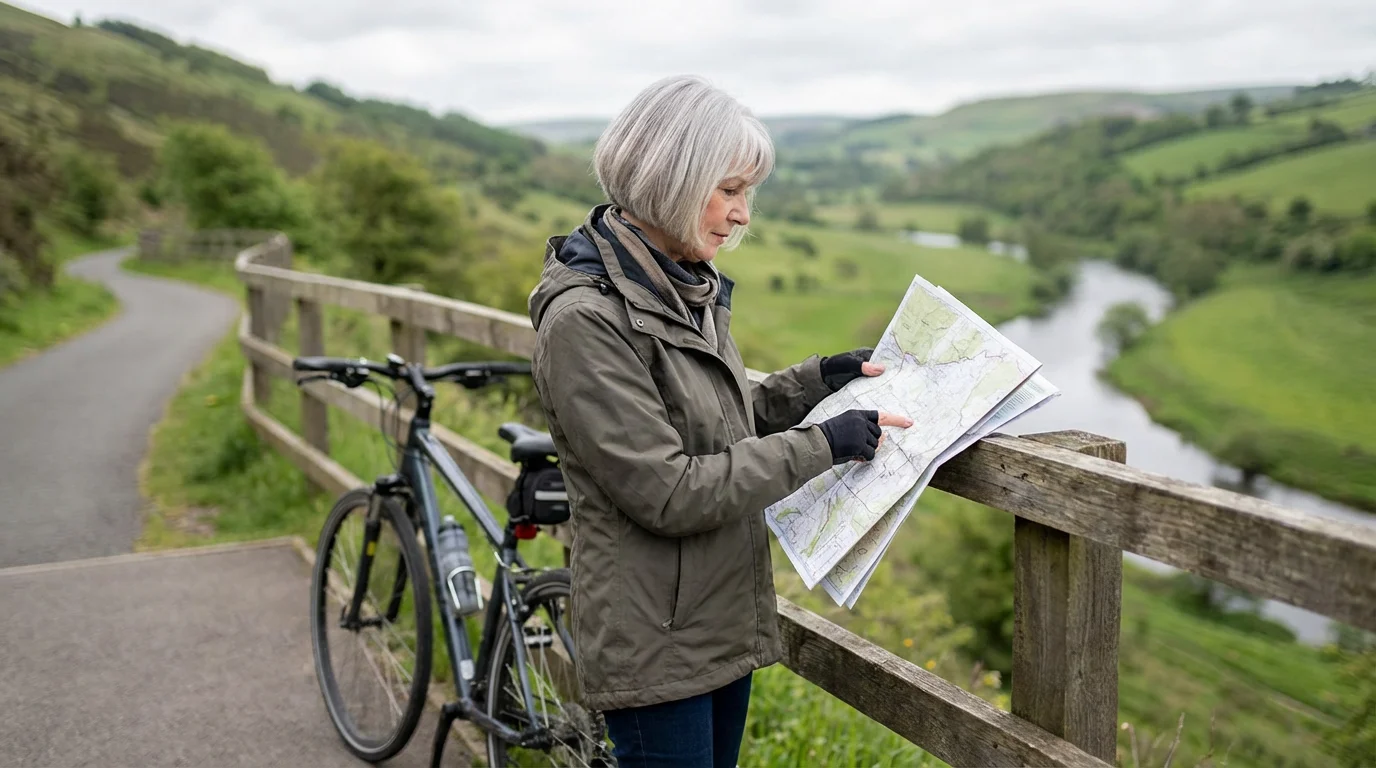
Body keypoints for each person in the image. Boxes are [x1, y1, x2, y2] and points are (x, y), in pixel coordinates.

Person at [527, 75, 913, 767]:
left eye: (748, 194)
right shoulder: (588, 318)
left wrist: (816, 381)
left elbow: (720, 425)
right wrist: (820, 444)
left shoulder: (680, 285)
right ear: (671, 179)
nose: (742, 216)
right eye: (730, 190)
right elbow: (669, 490)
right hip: (656, 636)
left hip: (715, 617)